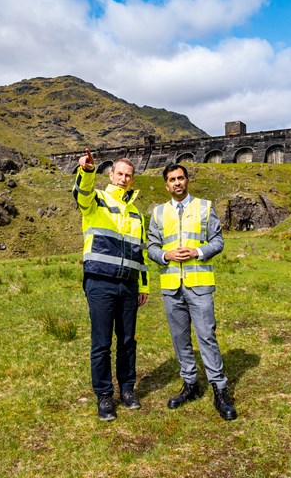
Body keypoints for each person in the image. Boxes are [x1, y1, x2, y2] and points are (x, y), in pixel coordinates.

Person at [146, 163, 237, 421]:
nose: (177, 182)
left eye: (181, 178)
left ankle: (219, 389)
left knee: (206, 336)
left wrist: (197, 252)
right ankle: (190, 385)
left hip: (199, 286)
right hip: (172, 287)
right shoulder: (158, 213)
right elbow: (151, 246)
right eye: (172, 179)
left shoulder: (205, 207)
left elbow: (218, 241)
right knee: (180, 339)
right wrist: (166, 254)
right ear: (166, 184)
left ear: (187, 181)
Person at [73, 149, 149, 421]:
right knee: (102, 342)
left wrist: (143, 285)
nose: (123, 179)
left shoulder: (136, 214)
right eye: (119, 173)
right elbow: (81, 193)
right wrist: (86, 172)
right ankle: (104, 395)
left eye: (128, 175)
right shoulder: (97, 201)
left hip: (128, 285)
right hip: (100, 282)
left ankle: (127, 389)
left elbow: (139, 251)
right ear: (111, 174)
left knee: (128, 341)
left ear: (132, 179)